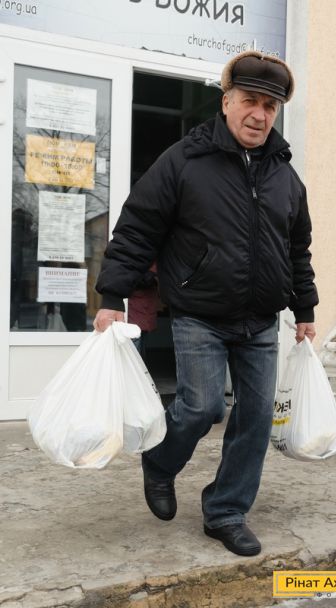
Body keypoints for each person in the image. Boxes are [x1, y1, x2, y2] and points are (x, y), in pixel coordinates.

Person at [93, 50, 319, 557]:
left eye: (270, 106)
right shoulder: (184, 161)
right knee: (202, 406)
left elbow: (297, 248)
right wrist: (112, 295)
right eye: (250, 101)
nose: (259, 114)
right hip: (200, 314)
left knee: (255, 420)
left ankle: (225, 511)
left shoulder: (285, 175)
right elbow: (138, 228)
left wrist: (304, 309)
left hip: (261, 320)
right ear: (226, 102)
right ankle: (160, 462)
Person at [128, 263, 159, 359]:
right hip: (135, 307)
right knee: (137, 345)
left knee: (136, 346)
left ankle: (137, 367)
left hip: (140, 306)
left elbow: (147, 279)